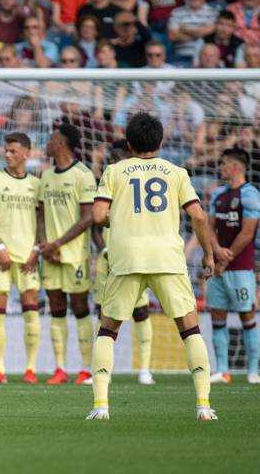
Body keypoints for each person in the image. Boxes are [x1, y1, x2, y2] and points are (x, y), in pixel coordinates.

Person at [89, 112, 216, 421]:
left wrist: (119, 217)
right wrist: (209, 255)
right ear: (161, 141)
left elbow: (97, 216)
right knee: (190, 328)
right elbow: (198, 217)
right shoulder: (176, 172)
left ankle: (101, 406)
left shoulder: (115, 171)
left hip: (126, 256)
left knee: (108, 329)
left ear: (129, 143)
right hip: (166, 257)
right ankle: (203, 404)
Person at [0, 132, 42, 385]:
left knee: (31, 309)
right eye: (6, 150)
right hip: (0, 253)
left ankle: (30, 369)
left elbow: (41, 220)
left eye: (13, 151)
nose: (7, 154)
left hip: (28, 254)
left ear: (26, 154)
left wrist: (37, 249)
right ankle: (0, 370)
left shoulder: (36, 185)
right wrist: (0, 246)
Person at [91, 139, 155, 386]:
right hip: (109, 257)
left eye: (118, 155)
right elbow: (94, 224)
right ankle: (100, 369)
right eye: (113, 155)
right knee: (103, 312)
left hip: (132, 255)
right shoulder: (109, 179)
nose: (115, 159)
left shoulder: (137, 182)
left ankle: (145, 369)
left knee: (140, 311)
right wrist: (104, 248)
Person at [38, 123, 96, 386]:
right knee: (56, 307)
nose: (47, 144)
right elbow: (40, 213)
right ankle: (60, 368)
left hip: (73, 254)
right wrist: (43, 244)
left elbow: (88, 218)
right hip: (50, 254)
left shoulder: (83, 175)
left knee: (80, 307)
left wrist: (58, 243)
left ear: (61, 143)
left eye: (51, 139)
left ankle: (86, 368)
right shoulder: (46, 175)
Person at [207, 148, 260, 385]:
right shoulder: (218, 194)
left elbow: (248, 232)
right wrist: (215, 252)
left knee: (247, 316)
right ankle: (222, 370)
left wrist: (224, 258)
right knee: (217, 316)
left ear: (236, 167)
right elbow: (208, 227)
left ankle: (253, 371)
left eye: (224, 164)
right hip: (219, 267)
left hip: (240, 268)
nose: (220, 168)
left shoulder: (251, 194)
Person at [167, 0, 217, 68]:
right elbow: (172, 36)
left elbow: (208, 32)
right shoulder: (176, 12)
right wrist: (200, 34)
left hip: (205, 58)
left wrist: (185, 29)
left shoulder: (212, 12)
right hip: (182, 57)